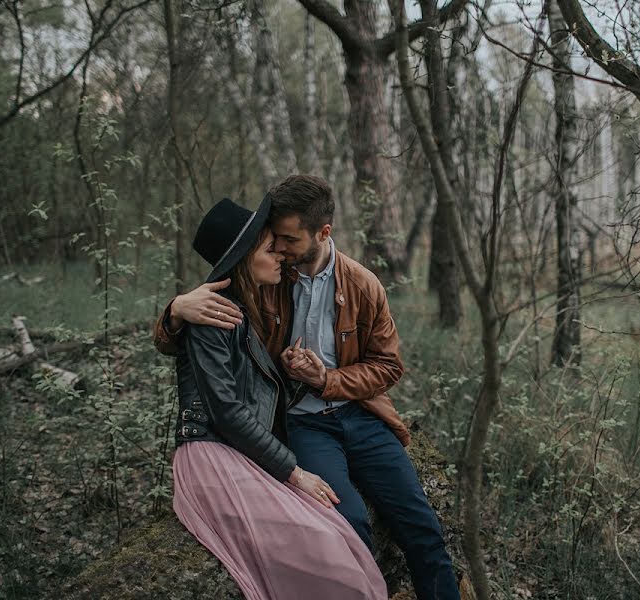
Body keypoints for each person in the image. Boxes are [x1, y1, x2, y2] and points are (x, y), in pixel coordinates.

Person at [155, 175, 461, 600]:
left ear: (323, 233)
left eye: (287, 239)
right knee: (347, 521)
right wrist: (174, 309)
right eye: (273, 241)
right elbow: (207, 334)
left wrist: (327, 379)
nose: (280, 249)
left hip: (361, 415)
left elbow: (389, 366)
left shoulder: (363, 284)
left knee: (423, 530)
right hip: (303, 424)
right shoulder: (269, 284)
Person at [169, 195, 387, 600]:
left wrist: (295, 375)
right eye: (271, 249)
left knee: (336, 532)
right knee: (324, 545)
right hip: (210, 456)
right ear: (245, 259)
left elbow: (249, 396)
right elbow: (228, 411)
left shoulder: (243, 310)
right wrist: (294, 471)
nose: (281, 256)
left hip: (234, 452)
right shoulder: (210, 315)